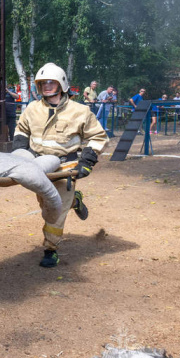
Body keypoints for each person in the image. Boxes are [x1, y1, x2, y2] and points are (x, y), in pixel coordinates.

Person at [13, 63, 108, 268]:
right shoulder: (32, 109)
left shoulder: (80, 111)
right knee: (47, 206)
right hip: (39, 168)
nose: (46, 86)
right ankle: (75, 200)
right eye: (43, 83)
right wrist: (21, 152)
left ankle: (50, 249)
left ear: (61, 84)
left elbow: (98, 137)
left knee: (55, 213)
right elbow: (21, 130)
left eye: (51, 82)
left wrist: (87, 162)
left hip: (66, 169)